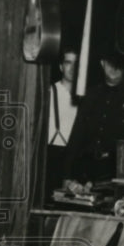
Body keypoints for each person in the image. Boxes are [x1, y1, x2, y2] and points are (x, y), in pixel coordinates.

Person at [63, 50, 124, 186]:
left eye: (119, 65)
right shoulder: (90, 94)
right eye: (110, 64)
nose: (114, 69)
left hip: (118, 172)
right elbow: (77, 135)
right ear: (102, 64)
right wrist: (67, 175)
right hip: (86, 171)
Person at [46, 49, 79, 191]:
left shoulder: (86, 95)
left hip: (76, 158)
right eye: (68, 63)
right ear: (61, 67)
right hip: (54, 156)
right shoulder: (49, 91)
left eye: (76, 64)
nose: (72, 68)